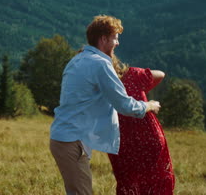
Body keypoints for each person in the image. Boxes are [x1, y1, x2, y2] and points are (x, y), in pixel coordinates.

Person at [49, 15, 162, 195]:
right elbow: (124, 105)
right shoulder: (101, 64)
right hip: (73, 142)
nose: (117, 43)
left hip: (63, 138)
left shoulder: (76, 60)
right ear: (103, 39)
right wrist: (149, 105)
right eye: (115, 38)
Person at [108, 56, 175, 194]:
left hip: (121, 143)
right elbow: (160, 74)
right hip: (149, 136)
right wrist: (145, 89)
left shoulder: (99, 88)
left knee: (130, 184)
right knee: (156, 182)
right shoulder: (133, 74)